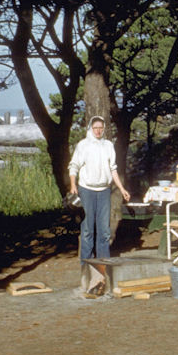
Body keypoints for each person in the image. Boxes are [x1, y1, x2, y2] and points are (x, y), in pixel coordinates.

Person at [68, 116, 131, 275]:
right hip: (86, 190)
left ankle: (103, 267)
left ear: (104, 129)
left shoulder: (108, 145)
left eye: (100, 128)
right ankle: (86, 268)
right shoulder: (83, 145)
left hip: (104, 191)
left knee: (104, 231)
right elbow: (74, 166)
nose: (98, 130)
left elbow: (113, 169)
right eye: (95, 127)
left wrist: (122, 189)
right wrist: (73, 185)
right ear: (90, 128)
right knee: (88, 229)